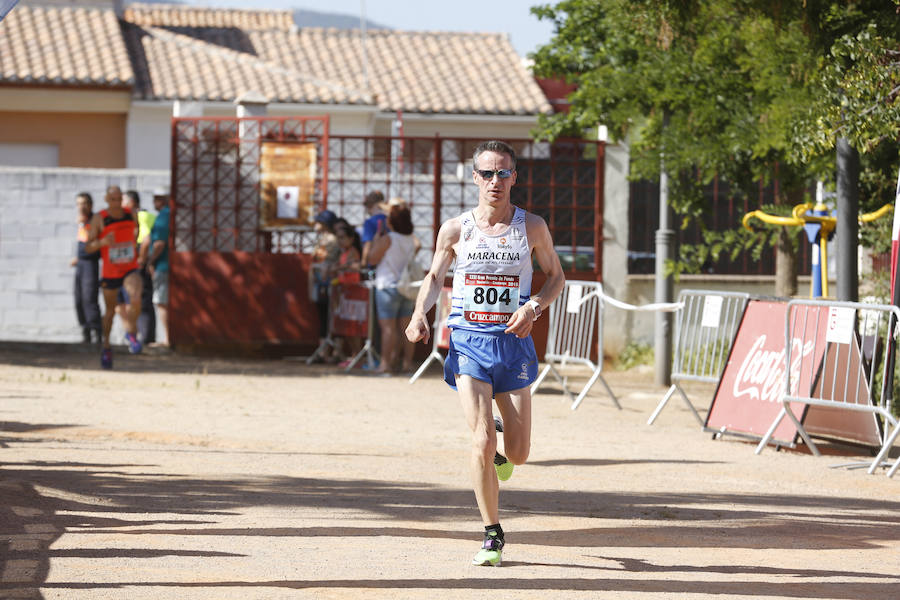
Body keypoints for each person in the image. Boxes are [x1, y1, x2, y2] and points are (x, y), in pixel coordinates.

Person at [405, 140, 564, 567]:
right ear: (474, 177)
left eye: (503, 173)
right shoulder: (456, 229)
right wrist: (420, 313)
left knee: (518, 454)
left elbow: (556, 277)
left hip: (514, 342)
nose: (495, 181)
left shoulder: (531, 227)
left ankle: (498, 419)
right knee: (480, 440)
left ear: (514, 177)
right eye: (488, 173)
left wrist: (533, 307)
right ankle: (492, 533)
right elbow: (435, 275)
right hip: (468, 341)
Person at [84, 185, 143, 369]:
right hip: (110, 272)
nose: (117, 203)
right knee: (109, 313)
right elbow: (88, 247)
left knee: (135, 298)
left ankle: (131, 332)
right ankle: (107, 346)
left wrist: (132, 244)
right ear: (107, 200)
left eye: (119, 199)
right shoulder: (99, 218)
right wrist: (102, 242)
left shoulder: (130, 214)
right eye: (113, 200)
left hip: (129, 267)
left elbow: (137, 232)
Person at [368, 202, 420, 375]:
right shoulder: (410, 240)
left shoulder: (388, 239)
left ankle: (385, 364)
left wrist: (375, 242)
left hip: (387, 286)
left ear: (392, 221)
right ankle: (406, 363)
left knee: (388, 328)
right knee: (407, 328)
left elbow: (372, 259)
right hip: (407, 287)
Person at [124, 190, 156, 344]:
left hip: (142, 263)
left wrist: (141, 260)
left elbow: (146, 240)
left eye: (123, 201)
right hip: (143, 261)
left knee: (142, 301)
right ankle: (144, 335)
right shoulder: (147, 216)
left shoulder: (141, 217)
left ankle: (146, 337)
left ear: (131, 203)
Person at [71, 192, 101, 344]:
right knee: (78, 298)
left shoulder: (94, 220)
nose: (81, 207)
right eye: (79, 204)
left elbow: (95, 242)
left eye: (84, 203)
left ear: (90, 205)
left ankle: (96, 330)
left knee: (89, 297)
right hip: (81, 263)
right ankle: (85, 330)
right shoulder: (82, 222)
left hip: (91, 263)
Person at [147, 190, 171, 347]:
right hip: (169, 265)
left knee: (162, 302)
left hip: (162, 265)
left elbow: (159, 244)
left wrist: (150, 261)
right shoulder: (171, 214)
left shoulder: (163, 216)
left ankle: (168, 339)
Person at [360, 190, 387, 267]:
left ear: (370, 205)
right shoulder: (390, 220)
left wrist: (363, 262)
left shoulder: (370, 222)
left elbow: (368, 244)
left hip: (375, 263)